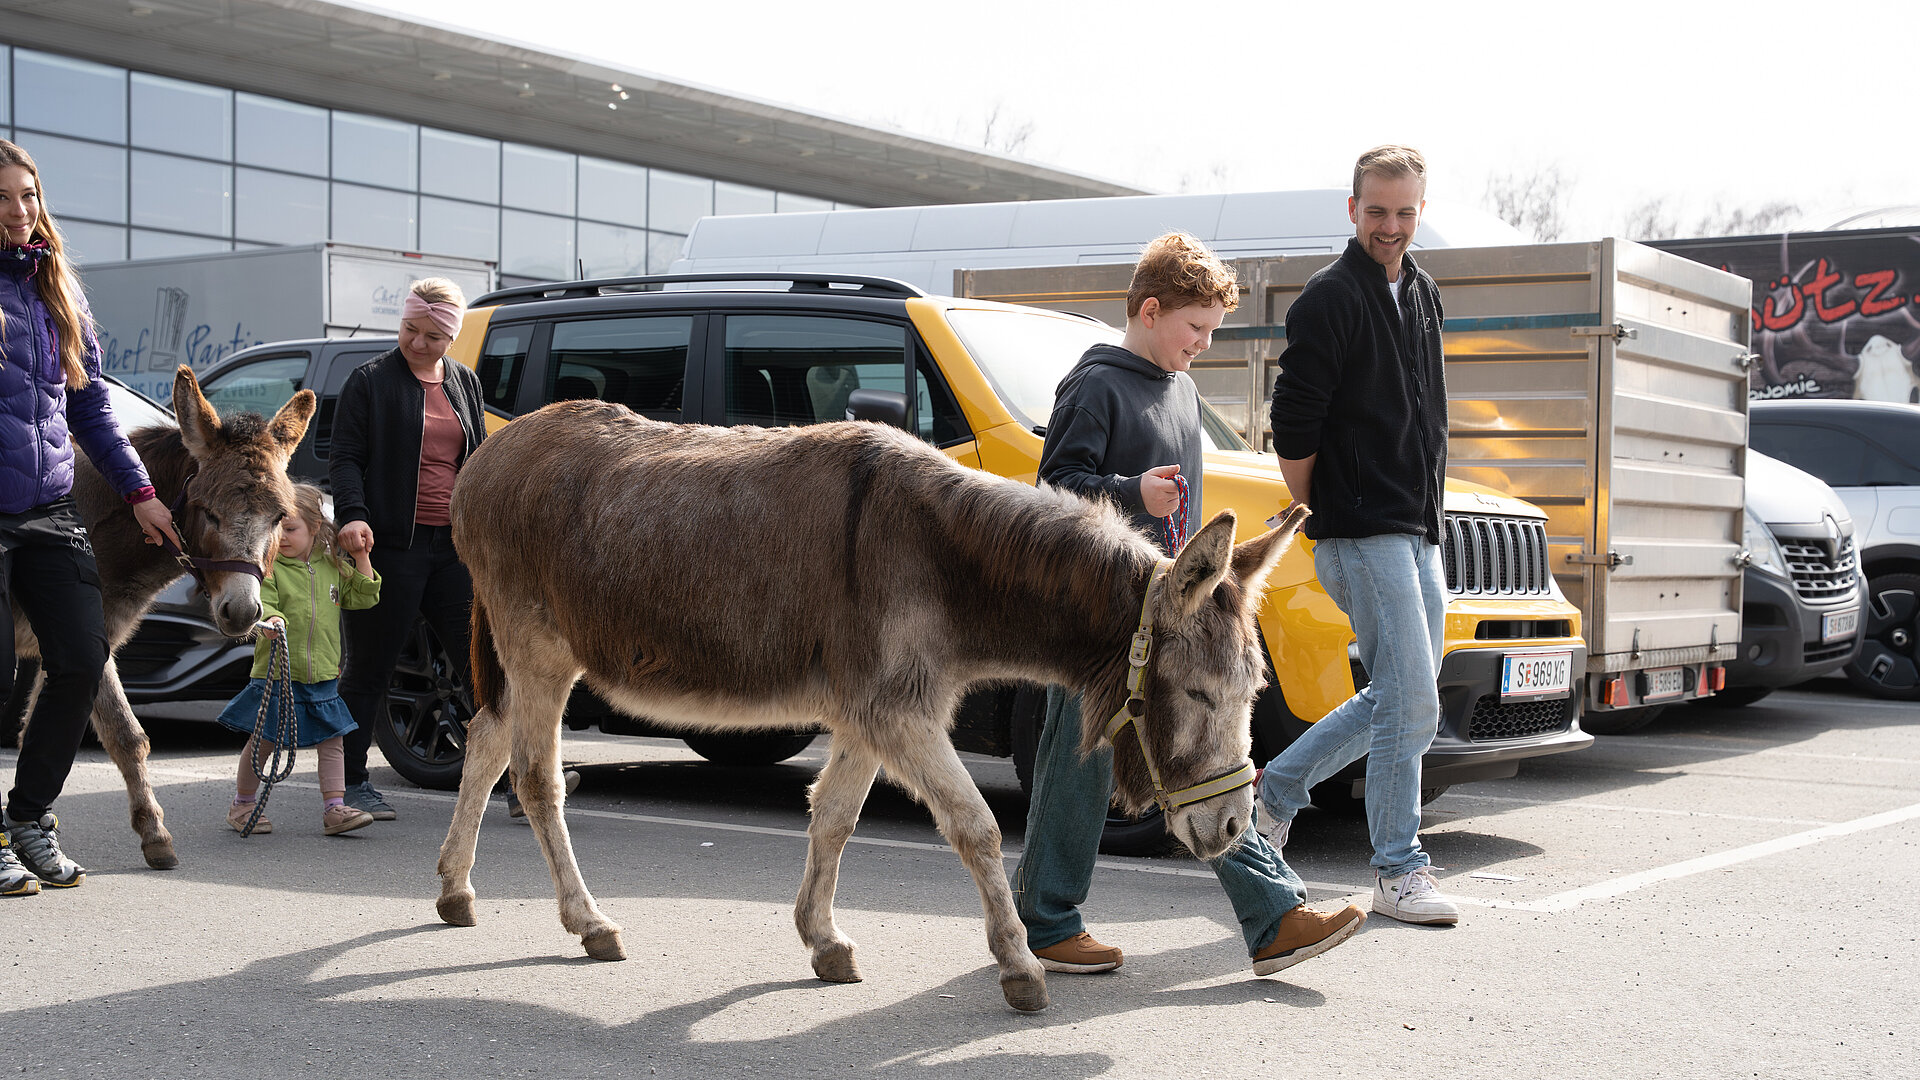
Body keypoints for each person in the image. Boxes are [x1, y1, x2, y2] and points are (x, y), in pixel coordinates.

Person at [1011, 232, 1367, 977]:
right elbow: (1054, 490)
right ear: (1149, 311)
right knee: (1079, 765)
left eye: (1211, 330)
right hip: (1090, 621)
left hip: (1163, 620)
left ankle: (1270, 917)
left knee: (1191, 754)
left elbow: (1187, 522)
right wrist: (1128, 492)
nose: (1204, 343)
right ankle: (1047, 923)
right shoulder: (1094, 385)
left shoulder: (1181, 389)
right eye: (1195, 327)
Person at [1259, 145, 1461, 925]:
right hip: (1360, 528)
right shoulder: (1328, 299)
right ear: (1353, 209)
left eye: (1405, 212)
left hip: (1418, 529)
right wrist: (1323, 510)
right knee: (1409, 700)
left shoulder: (1424, 292)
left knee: (1403, 698)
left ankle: (1274, 793)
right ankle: (1398, 870)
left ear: (1420, 211)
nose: (1391, 225)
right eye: (1377, 210)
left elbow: (1428, 412)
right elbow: (1292, 422)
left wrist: (1429, 514)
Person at [0, 139, 180, 894]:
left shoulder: (60, 292)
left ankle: (27, 820)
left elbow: (93, 411)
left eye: (29, 195)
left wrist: (141, 493)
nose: (20, 211)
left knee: (79, 658)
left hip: (48, 503)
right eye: (3, 198)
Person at [329, 277, 488, 820]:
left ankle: (518, 780)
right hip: (388, 549)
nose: (418, 343)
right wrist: (352, 514)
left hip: (454, 549)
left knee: (482, 665)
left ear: (452, 339)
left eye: (432, 336)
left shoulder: (465, 382)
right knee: (369, 669)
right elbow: (345, 457)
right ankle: (350, 784)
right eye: (410, 329)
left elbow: (476, 460)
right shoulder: (369, 381)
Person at [219, 483, 381, 836]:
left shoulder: (331, 566)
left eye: (290, 529)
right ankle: (243, 804)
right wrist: (272, 619)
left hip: (322, 674)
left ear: (315, 527)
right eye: (276, 529)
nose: (282, 537)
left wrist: (362, 557)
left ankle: (334, 808)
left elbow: (364, 597)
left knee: (333, 741)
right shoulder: (270, 568)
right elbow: (264, 604)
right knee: (264, 741)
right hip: (277, 674)